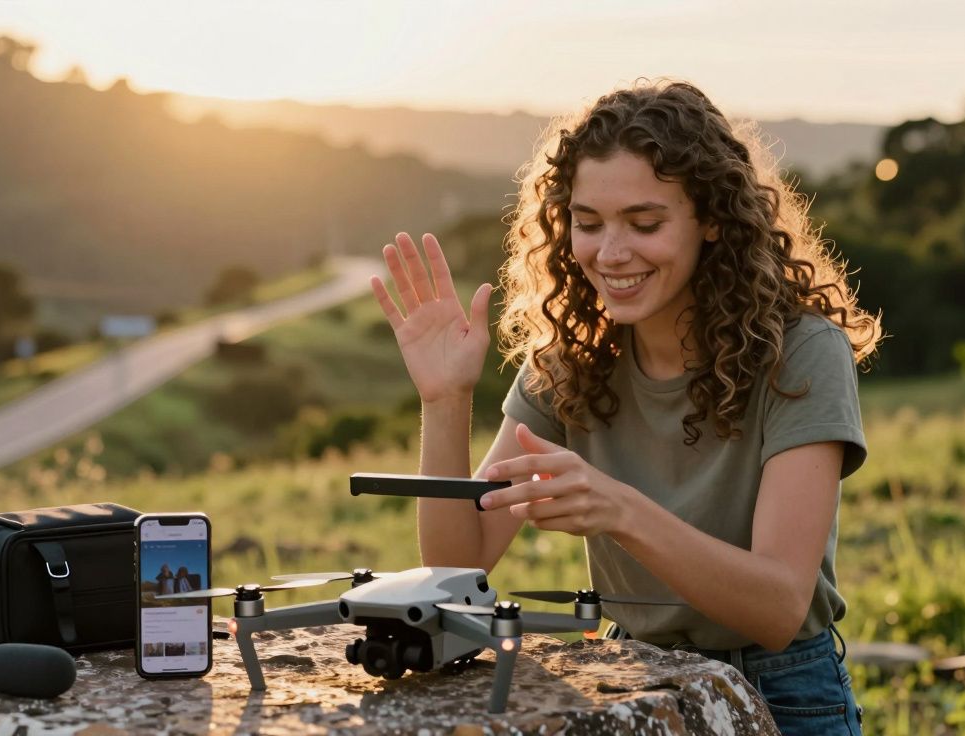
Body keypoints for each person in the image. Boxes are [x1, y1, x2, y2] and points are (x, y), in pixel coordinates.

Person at [370, 79, 879, 736]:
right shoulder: (570, 364)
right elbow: (456, 568)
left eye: (645, 223)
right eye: (588, 224)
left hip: (780, 688)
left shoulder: (804, 353)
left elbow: (779, 606)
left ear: (714, 220)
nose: (610, 254)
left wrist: (619, 509)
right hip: (630, 674)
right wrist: (445, 401)